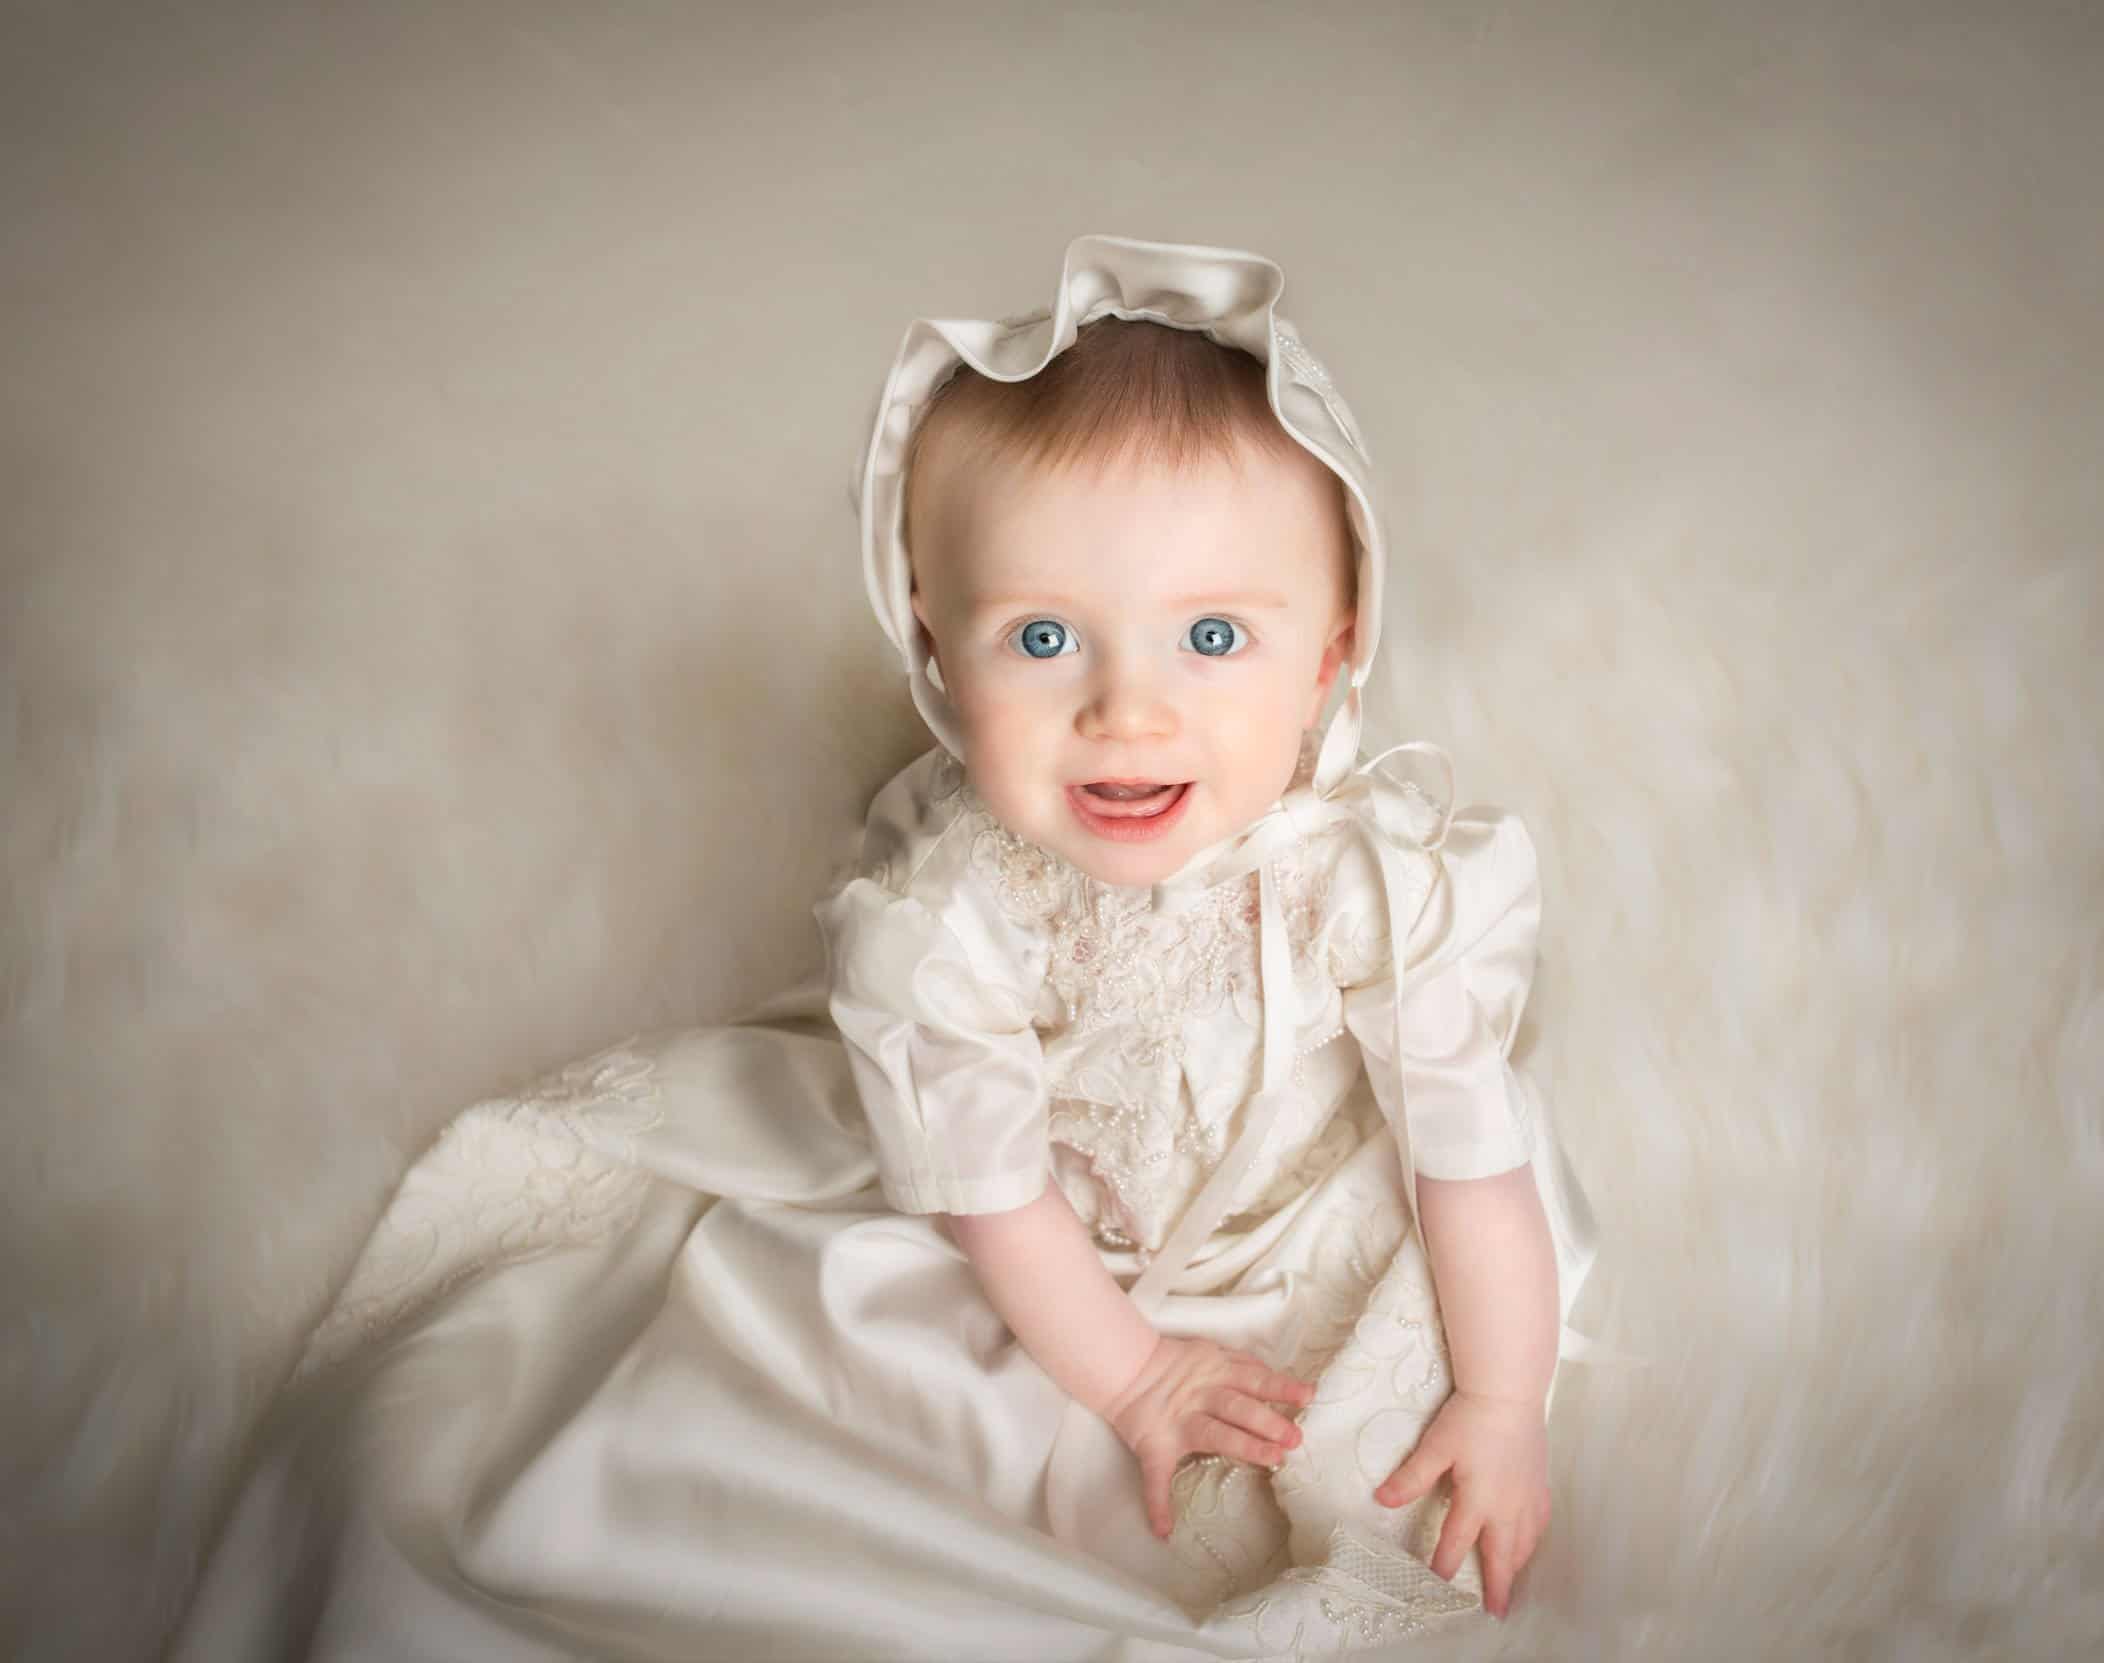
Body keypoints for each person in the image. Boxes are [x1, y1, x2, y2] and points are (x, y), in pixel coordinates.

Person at [175, 233, 1600, 1661]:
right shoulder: (947, 917)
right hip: (1059, 1230)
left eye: (1212, 636)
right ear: (933, 645)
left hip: (1298, 1210)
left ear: (1334, 653)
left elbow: (1466, 1160)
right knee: (834, 1379)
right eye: (1043, 641)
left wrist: (1500, 1402)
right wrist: (1134, 1377)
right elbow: (995, 1199)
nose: (1127, 712)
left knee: (1388, 1432)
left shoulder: (1370, 884)